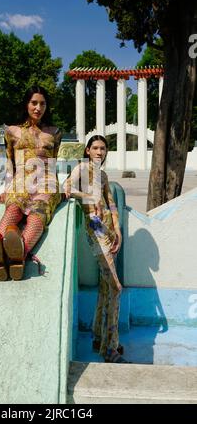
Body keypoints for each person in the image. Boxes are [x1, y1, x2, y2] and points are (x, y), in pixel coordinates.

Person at [0, 85, 62, 282]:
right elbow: (9, 161)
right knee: (13, 210)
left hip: (46, 183)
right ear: (26, 104)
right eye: (34, 103)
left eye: (42, 104)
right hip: (20, 182)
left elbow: (53, 162)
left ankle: (19, 255)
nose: (38, 108)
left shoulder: (54, 132)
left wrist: (59, 190)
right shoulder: (12, 131)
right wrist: (6, 187)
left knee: (37, 218)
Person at [64, 135, 130, 364]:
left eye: (103, 148)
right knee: (116, 287)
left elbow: (111, 202)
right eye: (95, 148)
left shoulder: (102, 175)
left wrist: (118, 229)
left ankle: (99, 337)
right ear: (88, 151)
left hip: (110, 231)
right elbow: (67, 188)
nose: (99, 152)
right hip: (95, 230)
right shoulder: (81, 168)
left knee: (105, 287)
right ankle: (111, 348)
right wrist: (88, 197)